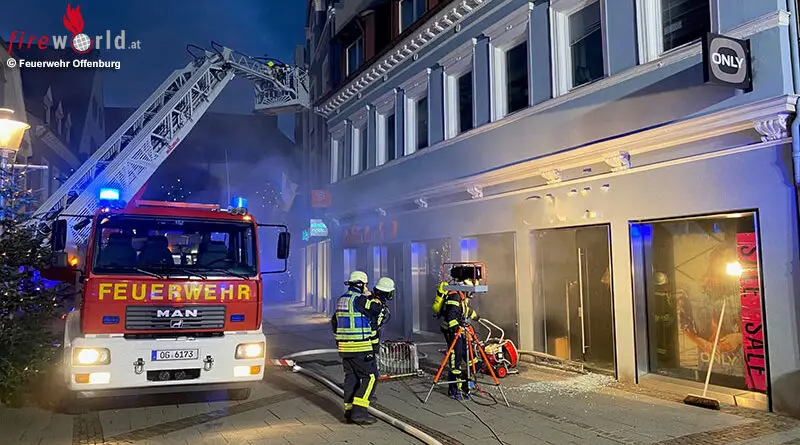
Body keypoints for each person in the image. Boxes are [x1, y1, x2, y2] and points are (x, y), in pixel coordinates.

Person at [331, 271, 379, 425]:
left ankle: (349, 411)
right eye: (365, 284)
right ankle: (359, 412)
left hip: (345, 348)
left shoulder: (341, 300)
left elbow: (334, 322)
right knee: (370, 377)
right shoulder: (359, 300)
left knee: (351, 378)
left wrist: (340, 341)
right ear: (361, 284)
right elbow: (375, 310)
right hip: (360, 346)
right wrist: (371, 296)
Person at [432, 269, 480, 400]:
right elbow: (451, 315)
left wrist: (476, 317)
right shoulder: (455, 296)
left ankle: (467, 383)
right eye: (472, 291)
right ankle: (454, 389)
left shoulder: (462, 296)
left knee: (468, 354)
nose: (472, 294)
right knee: (456, 357)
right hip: (452, 332)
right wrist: (456, 331)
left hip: (459, 330)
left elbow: (464, 310)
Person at [370, 277, 395, 354]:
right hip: (369, 340)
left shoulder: (375, 302)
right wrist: (375, 344)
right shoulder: (376, 304)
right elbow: (373, 325)